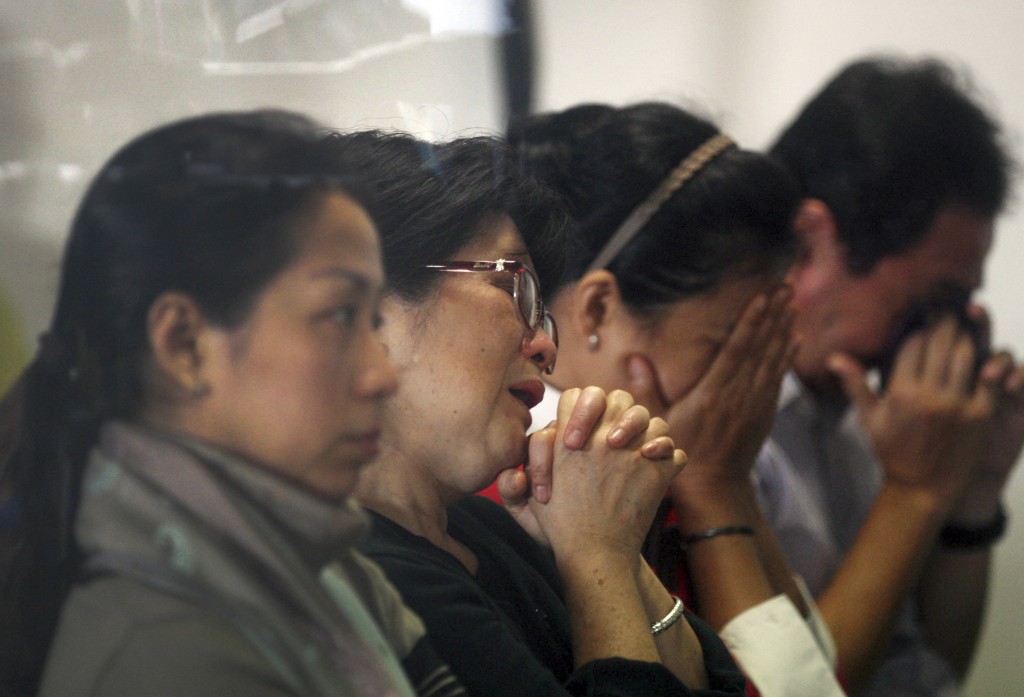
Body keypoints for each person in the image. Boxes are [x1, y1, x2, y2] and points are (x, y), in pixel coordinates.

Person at [0, 110, 466, 697]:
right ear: (185, 345)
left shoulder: (328, 565)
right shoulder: (164, 656)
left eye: (373, 321)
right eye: (340, 316)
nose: (381, 375)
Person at [331, 129, 747, 696]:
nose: (546, 347)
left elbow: (717, 684)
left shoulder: (488, 527)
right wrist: (595, 552)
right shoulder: (349, 577)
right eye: (511, 285)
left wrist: (610, 542)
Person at [504, 101, 847, 697]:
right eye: (727, 347)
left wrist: (726, 483)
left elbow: (822, 674)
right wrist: (715, 486)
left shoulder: (693, 461)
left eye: (766, 353)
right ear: (598, 310)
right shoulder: (527, 482)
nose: (752, 382)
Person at [758, 55, 1023, 696]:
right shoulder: (716, 430)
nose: (942, 337)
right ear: (809, 242)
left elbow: (925, 678)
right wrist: (915, 493)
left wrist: (972, 490)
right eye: (928, 304)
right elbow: (785, 690)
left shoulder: (866, 422)